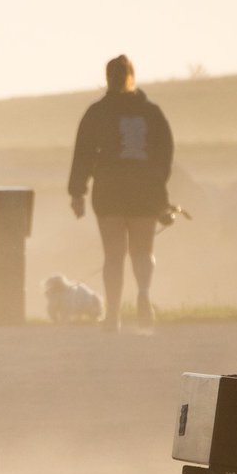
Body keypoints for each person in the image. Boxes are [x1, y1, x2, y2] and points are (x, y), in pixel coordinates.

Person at [68, 54, 174, 334]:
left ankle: (113, 315)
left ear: (107, 78)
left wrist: (77, 192)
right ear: (131, 76)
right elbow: (165, 153)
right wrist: (159, 187)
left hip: (109, 192)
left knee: (113, 256)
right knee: (143, 250)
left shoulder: (97, 113)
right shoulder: (151, 112)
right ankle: (143, 294)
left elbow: (83, 154)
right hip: (145, 192)